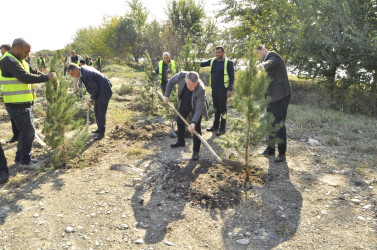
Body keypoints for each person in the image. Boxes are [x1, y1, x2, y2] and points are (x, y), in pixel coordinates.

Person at [0, 38, 56, 169]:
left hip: (24, 102)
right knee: (29, 132)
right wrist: (46, 78)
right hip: (16, 103)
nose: (28, 55)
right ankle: (25, 162)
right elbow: (25, 77)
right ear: (18, 48)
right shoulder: (7, 61)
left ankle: (20, 159)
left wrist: (48, 76)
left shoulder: (20, 60)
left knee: (25, 132)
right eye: (26, 52)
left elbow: (33, 72)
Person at [256, 45, 291, 163]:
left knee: (279, 124)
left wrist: (262, 65)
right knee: (270, 123)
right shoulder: (264, 59)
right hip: (271, 97)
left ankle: (282, 153)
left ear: (264, 49)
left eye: (258, 53)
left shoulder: (273, 56)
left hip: (281, 96)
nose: (257, 57)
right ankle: (270, 149)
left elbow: (270, 63)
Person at [163, 71, 208, 161]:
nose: (192, 88)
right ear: (185, 80)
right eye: (190, 85)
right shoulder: (181, 76)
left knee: (196, 128)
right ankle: (181, 141)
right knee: (180, 121)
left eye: (194, 86)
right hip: (184, 103)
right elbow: (171, 82)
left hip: (196, 107)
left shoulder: (201, 89)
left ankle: (196, 152)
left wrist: (194, 123)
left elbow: (199, 108)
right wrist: (166, 95)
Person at [67, 63, 112, 140]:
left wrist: (91, 100)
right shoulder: (82, 69)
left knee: (101, 113)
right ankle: (99, 128)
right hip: (99, 90)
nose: (72, 76)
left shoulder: (86, 75)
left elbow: (95, 88)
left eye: (72, 74)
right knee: (96, 111)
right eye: (70, 75)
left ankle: (101, 133)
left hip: (103, 91)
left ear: (77, 70)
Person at [197, 46, 235, 136]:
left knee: (222, 109)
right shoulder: (213, 60)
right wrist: (190, 62)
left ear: (223, 52)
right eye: (216, 52)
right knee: (216, 108)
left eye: (219, 52)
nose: (217, 54)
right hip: (214, 89)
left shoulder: (228, 63)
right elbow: (202, 63)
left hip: (223, 89)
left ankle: (222, 128)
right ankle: (215, 126)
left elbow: (232, 77)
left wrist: (229, 89)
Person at [1, 44, 20, 143]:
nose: (2, 54)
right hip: (9, 95)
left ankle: (20, 138)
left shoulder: (11, 61)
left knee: (20, 121)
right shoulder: (4, 61)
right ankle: (16, 136)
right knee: (13, 118)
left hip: (18, 96)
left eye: (3, 52)